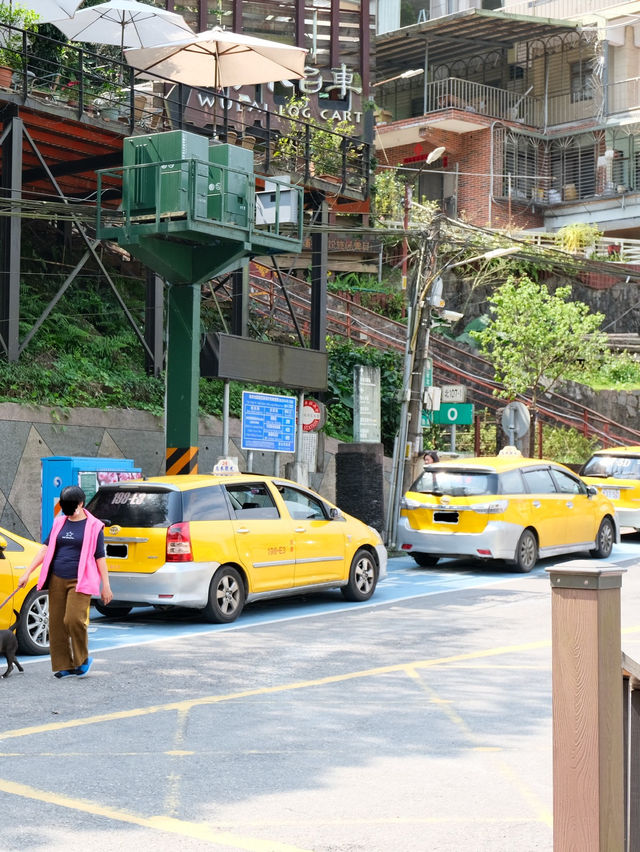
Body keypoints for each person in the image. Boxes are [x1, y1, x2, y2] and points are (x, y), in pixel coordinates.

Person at [18, 485, 113, 679]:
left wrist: (106, 586)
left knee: (73, 620)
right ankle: (64, 665)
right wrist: (27, 573)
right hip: (57, 579)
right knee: (56, 623)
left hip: (80, 580)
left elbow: (100, 557)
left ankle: (82, 660)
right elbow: (45, 548)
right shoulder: (60, 522)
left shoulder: (94, 527)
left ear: (80, 503)